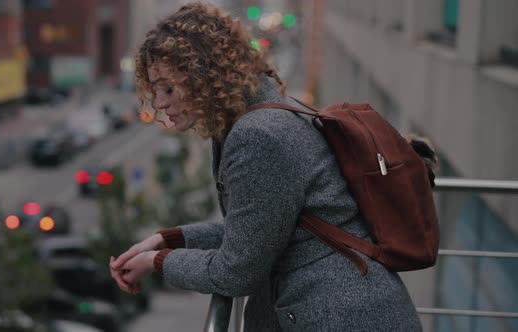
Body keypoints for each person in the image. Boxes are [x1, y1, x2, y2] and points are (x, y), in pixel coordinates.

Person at [110, 2, 424, 331]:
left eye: (169, 88)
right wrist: (167, 241)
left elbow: (236, 272)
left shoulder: (259, 136)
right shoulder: (257, 114)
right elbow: (258, 227)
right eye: (154, 90)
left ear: (205, 75)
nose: (159, 103)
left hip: (343, 317)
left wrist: (156, 262)